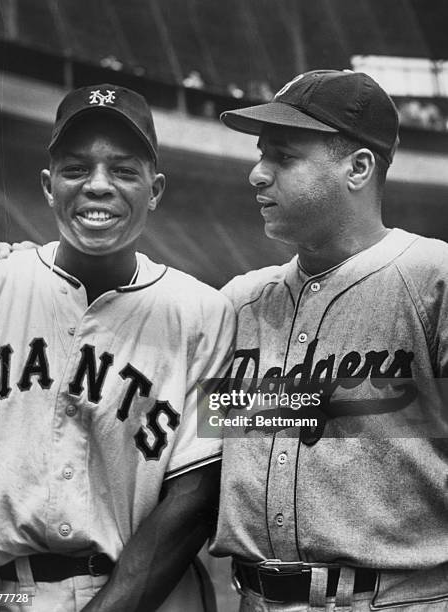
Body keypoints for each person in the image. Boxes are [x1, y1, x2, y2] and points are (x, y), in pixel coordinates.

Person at [0, 83, 235, 612]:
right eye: (75, 169)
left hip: (151, 596)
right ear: (48, 185)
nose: (98, 186)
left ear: (155, 190)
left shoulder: (204, 312)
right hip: (12, 592)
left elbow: (195, 497)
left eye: (124, 171)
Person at [209, 69, 448, 611]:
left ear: (358, 168)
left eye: (283, 157)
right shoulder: (238, 301)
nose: (257, 174)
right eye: (260, 153)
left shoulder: (435, 277)